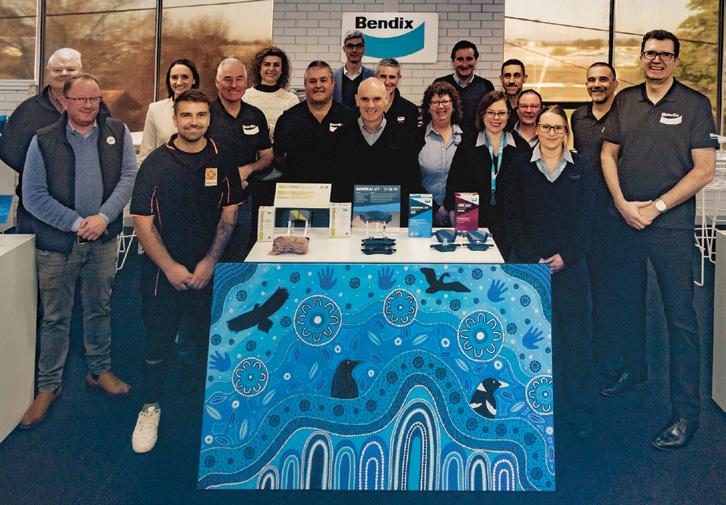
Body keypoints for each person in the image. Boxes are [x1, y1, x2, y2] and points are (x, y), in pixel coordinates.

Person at [600, 29, 718, 450]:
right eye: (650, 53)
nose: (657, 60)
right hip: (625, 220)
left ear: (675, 61)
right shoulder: (626, 99)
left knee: (680, 318)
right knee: (625, 302)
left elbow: (704, 170)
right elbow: (607, 153)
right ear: (641, 57)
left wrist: (657, 207)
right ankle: (634, 371)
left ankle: (686, 414)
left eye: (665, 55)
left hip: (670, 225)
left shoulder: (695, 104)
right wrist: (621, 203)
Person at [19, 73, 137, 429]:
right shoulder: (43, 140)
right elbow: (33, 195)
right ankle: (48, 386)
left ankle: (99, 371)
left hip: (103, 239)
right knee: (55, 317)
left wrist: (103, 218)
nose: (88, 105)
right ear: (64, 102)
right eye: (81, 99)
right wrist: (75, 223)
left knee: (99, 308)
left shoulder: (118, 132)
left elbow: (128, 178)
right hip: (59, 244)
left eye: (94, 99)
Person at [129, 89, 243, 454]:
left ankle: (208, 412)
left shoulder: (223, 159)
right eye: (187, 115)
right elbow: (142, 222)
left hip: (209, 268)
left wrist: (210, 261)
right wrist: (169, 266)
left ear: (209, 119)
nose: (194, 122)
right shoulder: (155, 164)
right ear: (175, 119)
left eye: (201, 115)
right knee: (158, 342)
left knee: (211, 341)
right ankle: (150, 407)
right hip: (163, 271)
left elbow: (229, 216)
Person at [505, 105, 596, 438]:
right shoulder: (519, 167)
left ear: (566, 132)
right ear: (537, 130)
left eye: (558, 128)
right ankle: (524, 411)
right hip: (530, 268)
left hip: (570, 267)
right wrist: (533, 258)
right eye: (545, 127)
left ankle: (579, 412)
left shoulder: (583, 168)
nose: (551, 133)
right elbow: (512, 217)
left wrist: (566, 257)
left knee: (575, 340)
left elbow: (588, 219)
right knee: (525, 340)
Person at [571, 62, 620, 379]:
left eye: (603, 79)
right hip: (583, 211)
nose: (597, 84)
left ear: (615, 83)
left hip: (615, 214)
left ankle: (610, 359)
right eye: (591, 79)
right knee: (580, 288)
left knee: (610, 290)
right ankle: (582, 357)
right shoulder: (578, 117)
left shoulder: (624, 116)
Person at [0, 48, 84, 232]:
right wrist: (39, 169)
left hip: (84, 210)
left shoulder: (94, 109)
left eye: (70, 69)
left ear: (81, 71)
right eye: (57, 69)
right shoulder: (28, 110)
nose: (64, 73)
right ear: (48, 72)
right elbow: (8, 149)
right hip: (36, 211)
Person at [444, 90, 530, 258]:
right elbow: (454, 182)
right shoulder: (467, 145)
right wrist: (453, 212)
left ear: (508, 115)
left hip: (510, 226)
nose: (496, 118)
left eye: (501, 113)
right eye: (491, 112)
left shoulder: (521, 148)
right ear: (482, 114)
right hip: (473, 222)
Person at [208, 57, 272, 260]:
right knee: (208, 258)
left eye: (239, 79)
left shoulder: (255, 115)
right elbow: (194, 158)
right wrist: (229, 178)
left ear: (246, 82)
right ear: (217, 82)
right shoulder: (205, 114)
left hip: (244, 202)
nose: (234, 85)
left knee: (238, 259)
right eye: (227, 79)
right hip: (209, 201)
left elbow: (267, 156)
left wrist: (248, 169)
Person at [335, 77, 419, 212]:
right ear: (357, 100)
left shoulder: (403, 138)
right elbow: (337, 183)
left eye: (376, 99)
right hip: (351, 219)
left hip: (392, 218)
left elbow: (411, 182)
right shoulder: (340, 137)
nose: (370, 105)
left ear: (386, 100)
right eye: (364, 99)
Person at [274, 60, 356, 185]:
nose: (318, 85)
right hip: (300, 191)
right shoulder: (288, 120)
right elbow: (279, 158)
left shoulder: (350, 118)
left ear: (333, 83)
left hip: (339, 191)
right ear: (305, 84)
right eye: (312, 81)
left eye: (323, 80)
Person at [417, 81, 464, 227]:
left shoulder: (467, 138)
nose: (441, 106)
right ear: (428, 108)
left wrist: (449, 207)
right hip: (423, 213)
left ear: (453, 105)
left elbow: (469, 179)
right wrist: (435, 208)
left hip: (459, 214)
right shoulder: (416, 137)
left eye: (445, 101)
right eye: (435, 102)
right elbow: (411, 179)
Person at [139, 58, 200, 159]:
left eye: (185, 77)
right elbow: (146, 154)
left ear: (194, 80)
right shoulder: (155, 109)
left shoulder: (205, 110)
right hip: (162, 167)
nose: (179, 82)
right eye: (174, 77)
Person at [434, 40, 494, 133]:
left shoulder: (486, 86)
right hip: (445, 139)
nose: (465, 64)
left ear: (475, 61)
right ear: (453, 62)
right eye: (460, 59)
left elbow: (491, 116)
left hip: (477, 139)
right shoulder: (440, 84)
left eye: (469, 59)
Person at [243, 47, 299, 139]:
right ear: (259, 68)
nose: (271, 69)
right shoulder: (245, 96)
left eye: (276, 65)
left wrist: (265, 127)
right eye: (267, 64)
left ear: (282, 70)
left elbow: (292, 132)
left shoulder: (291, 99)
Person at [375, 58, 420, 138]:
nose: (387, 82)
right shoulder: (366, 107)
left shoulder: (410, 110)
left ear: (398, 79)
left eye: (392, 77)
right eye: (383, 76)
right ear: (376, 77)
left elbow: (413, 142)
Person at [333, 30, 375, 108]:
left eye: (358, 46)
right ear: (344, 49)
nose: (354, 50)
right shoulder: (333, 77)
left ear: (364, 49)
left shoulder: (373, 76)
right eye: (350, 46)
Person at [499, 59, 527, 131]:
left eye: (516, 76)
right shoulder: (495, 107)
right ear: (501, 79)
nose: (511, 81)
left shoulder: (532, 108)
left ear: (524, 78)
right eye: (507, 76)